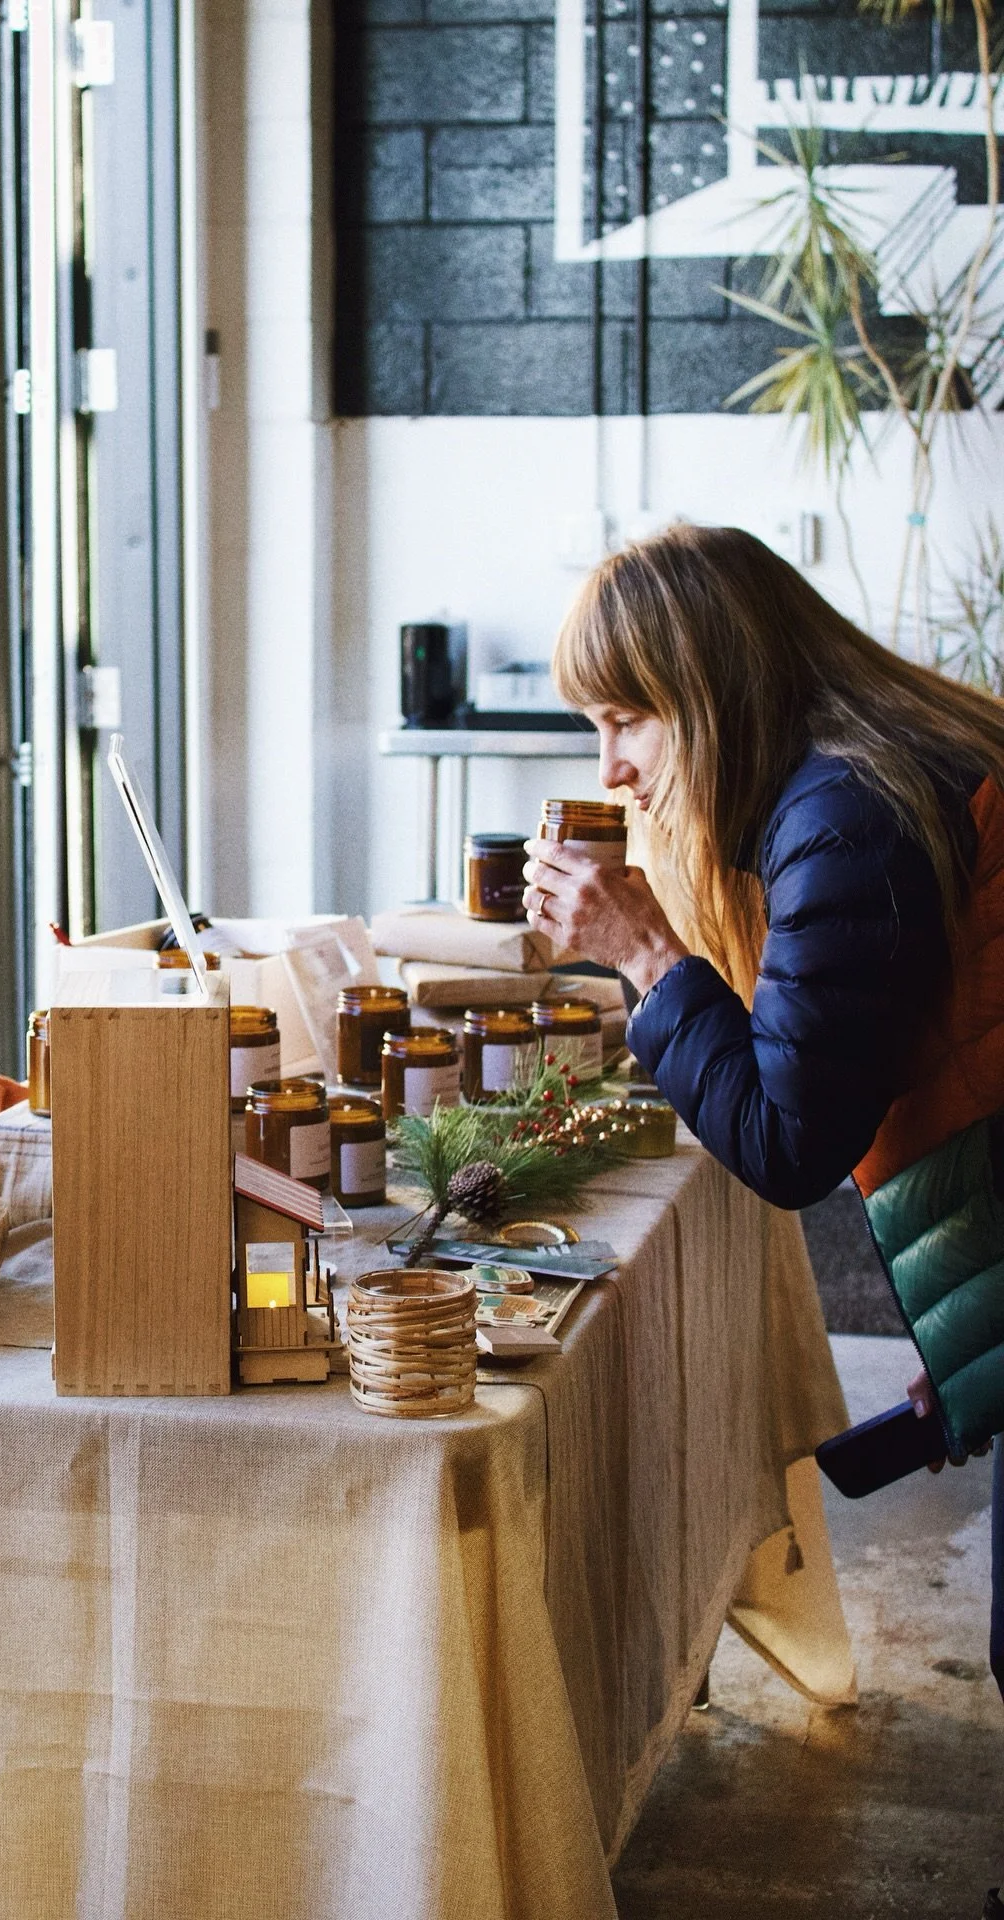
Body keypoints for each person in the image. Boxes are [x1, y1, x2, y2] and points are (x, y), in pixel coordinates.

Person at [523, 524, 1004, 1912]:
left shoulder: (843, 819)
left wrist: (643, 953)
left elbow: (787, 1140)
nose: (610, 765)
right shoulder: (865, 767)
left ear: (714, 689)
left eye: (628, 720)